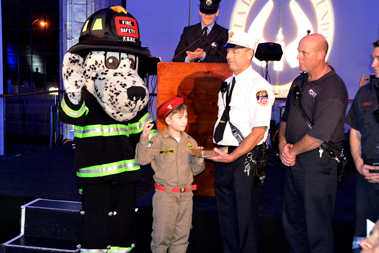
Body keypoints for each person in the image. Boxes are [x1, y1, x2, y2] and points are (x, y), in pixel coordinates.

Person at [278, 33, 348, 252]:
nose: (298, 56)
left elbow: (320, 133)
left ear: (321, 55)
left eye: (304, 53)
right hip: (294, 162)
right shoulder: (299, 80)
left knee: (317, 227)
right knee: (293, 221)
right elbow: (285, 118)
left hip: (318, 166)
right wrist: (282, 145)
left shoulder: (333, 87)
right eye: (298, 51)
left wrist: (292, 151)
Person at [207, 30, 275, 252]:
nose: (229, 55)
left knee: (244, 219)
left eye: (235, 50)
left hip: (244, 158)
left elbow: (258, 132)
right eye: (228, 50)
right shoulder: (227, 83)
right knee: (226, 216)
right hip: (225, 156)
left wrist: (233, 156)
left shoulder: (259, 86)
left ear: (250, 53)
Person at [135, 97, 205, 253]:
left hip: (186, 197)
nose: (184, 121)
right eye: (180, 117)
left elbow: (195, 171)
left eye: (186, 117)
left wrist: (199, 161)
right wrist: (143, 138)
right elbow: (142, 160)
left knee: (181, 239)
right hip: (165, 197)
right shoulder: (158, 140)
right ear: (168, 119)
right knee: (161, 239)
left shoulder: (191, 142)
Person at [345, 40, 379, 253]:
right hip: (365, 178)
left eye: (378, 59)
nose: (373, 64)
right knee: (363, 238)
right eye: (373, 58)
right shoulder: (364, 93)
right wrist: (358, 164)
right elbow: (355, 132)